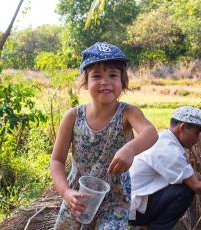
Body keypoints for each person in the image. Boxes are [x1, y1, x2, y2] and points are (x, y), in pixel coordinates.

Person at [50, 42, 158, 229]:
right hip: (78, 198)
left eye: (113, 75)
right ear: (85, 82)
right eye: (97, 76)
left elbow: (151, 133)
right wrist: (66, 193)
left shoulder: (127, 113)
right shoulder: (73, 116)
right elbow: (57, 161)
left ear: (123, 82)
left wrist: (129, 149)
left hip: (115, 201)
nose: (105, 81)